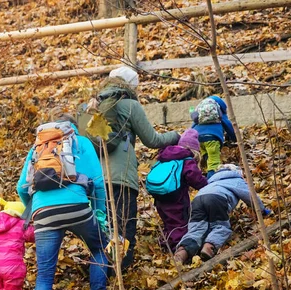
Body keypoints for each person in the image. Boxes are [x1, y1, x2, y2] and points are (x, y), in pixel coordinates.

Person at [17, 116, 109, 290]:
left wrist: (35, 207)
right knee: (99, 248)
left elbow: (22, 187)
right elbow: (97, 183)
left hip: (43, 212)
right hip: (77, 206)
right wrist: (100, 215)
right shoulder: (80, 142)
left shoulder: (39, 145)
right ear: (73, 127)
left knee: (45, 275)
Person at [90, 66, 180, 271]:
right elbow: (152, 139)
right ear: (131, 86)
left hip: (95, 179)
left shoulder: (93, 105)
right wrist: (176, 136)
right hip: (121, 179)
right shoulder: (130, 106)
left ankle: (100, 278)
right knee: (123, 230)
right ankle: (120, 277)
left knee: (102, 230)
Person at [174, 164, 272, 264]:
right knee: (219, 226)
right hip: (217, 198)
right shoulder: (236, 179)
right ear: (238, 173)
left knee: (197, 228)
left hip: (197, 200)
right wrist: (262, 210)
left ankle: (182, 252)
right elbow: (250, 196)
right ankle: (209, 247)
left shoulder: (211, 182)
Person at [151, 128, 208, 250]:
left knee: (167, 220)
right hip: (176, 197)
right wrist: (206, 185)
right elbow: (195, 177)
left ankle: (165, 242)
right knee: (179, 223)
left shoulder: (165, 155)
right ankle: (178, 248)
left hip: (159, 195)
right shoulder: (186, 158)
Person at [191, 95, 237, 178]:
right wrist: (234, 138)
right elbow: (228, 125)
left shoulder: (201, 110)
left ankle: (205, 160)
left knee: (206, 154)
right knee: (214, 163)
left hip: (199, 138)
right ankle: (212, 180)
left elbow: (193, 124)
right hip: (212, 138)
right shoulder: (218, 111)